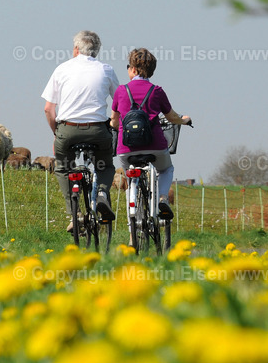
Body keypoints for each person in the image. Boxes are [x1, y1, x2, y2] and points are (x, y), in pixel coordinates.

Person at [42, 30, 119, 231]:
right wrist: (113, 123)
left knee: (62, 167)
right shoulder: (106, 70)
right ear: (96, 51)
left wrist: (56, 133)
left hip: (67, 130)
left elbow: (48, 109)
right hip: (98, 131)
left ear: (76, 49)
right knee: (105, 166)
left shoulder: (61, 69)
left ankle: (74, 214)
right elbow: (120, 103)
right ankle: (102, 193)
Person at [110, 48, 191, 220]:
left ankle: (133, 233)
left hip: (126, 149)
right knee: (167, 169)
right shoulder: (157, 91)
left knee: (130, 179)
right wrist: (184, 120)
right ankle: (162, 198)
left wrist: (115, 126)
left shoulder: (121, 91)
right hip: (155, 147)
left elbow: (114, 122)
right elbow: (172, 117)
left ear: (132, 69)